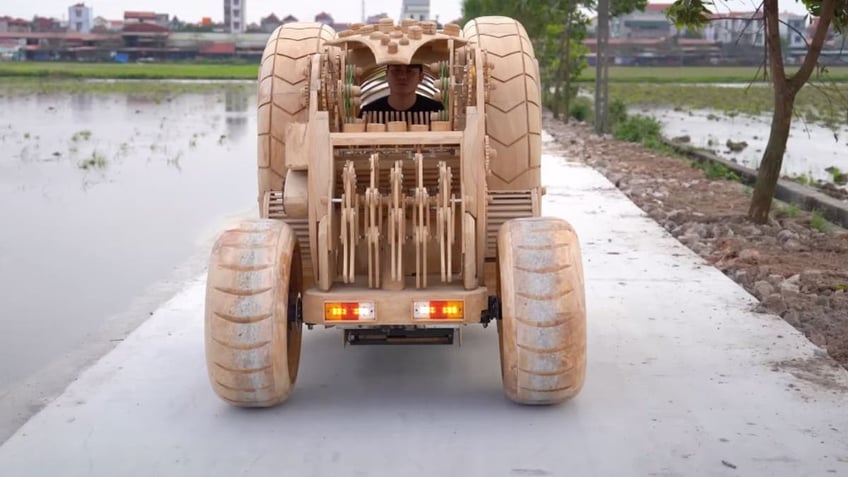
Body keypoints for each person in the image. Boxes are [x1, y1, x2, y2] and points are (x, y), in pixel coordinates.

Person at [360, 64, 443, 115]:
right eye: (396, 70)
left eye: (409, 71)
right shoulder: (368, 112)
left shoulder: (436, 111)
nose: (402, 76)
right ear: (387, 75)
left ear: (420, 77)